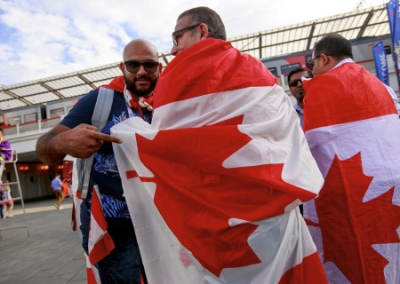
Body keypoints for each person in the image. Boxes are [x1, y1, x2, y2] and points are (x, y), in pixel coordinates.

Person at [111, 7, 327, 283]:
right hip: (276, 219)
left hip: (214, 229)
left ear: (201, 30)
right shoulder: (259, 73)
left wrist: (127, 136)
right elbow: (288, 138)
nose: (174, 50)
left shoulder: (178, 76)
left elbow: (169, 152)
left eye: (177, 38)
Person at [36, 39, 162, 284]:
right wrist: (62, 143)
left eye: (149, 64)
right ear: (122, 67)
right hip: (115, 227)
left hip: (159, 223)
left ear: (160, 68)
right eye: (133, 65)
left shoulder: (169, 103)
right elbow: (44, 148)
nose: (142, 71)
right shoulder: (100, 100)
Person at [303, 33, 400, 283]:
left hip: (348, 196)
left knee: (351, 260)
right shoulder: (383, 86)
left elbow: (308, 149)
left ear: (323, 59)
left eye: (311, 65)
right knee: (390, 255)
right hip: (391, 190)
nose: (311, 72)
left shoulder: (321, 89)